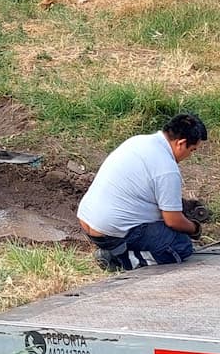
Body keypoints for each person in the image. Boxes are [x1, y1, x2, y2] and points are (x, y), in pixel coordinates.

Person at [77, 113, 208, 271]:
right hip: (110, 232)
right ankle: (121, 259)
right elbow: (173, 220)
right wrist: (194, 228)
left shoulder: (138, 141)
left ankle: (117, 250)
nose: (190, 155)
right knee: (181, 247)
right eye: (192, 150)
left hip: (88, 220)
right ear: (181, 143)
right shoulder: (167, 169)